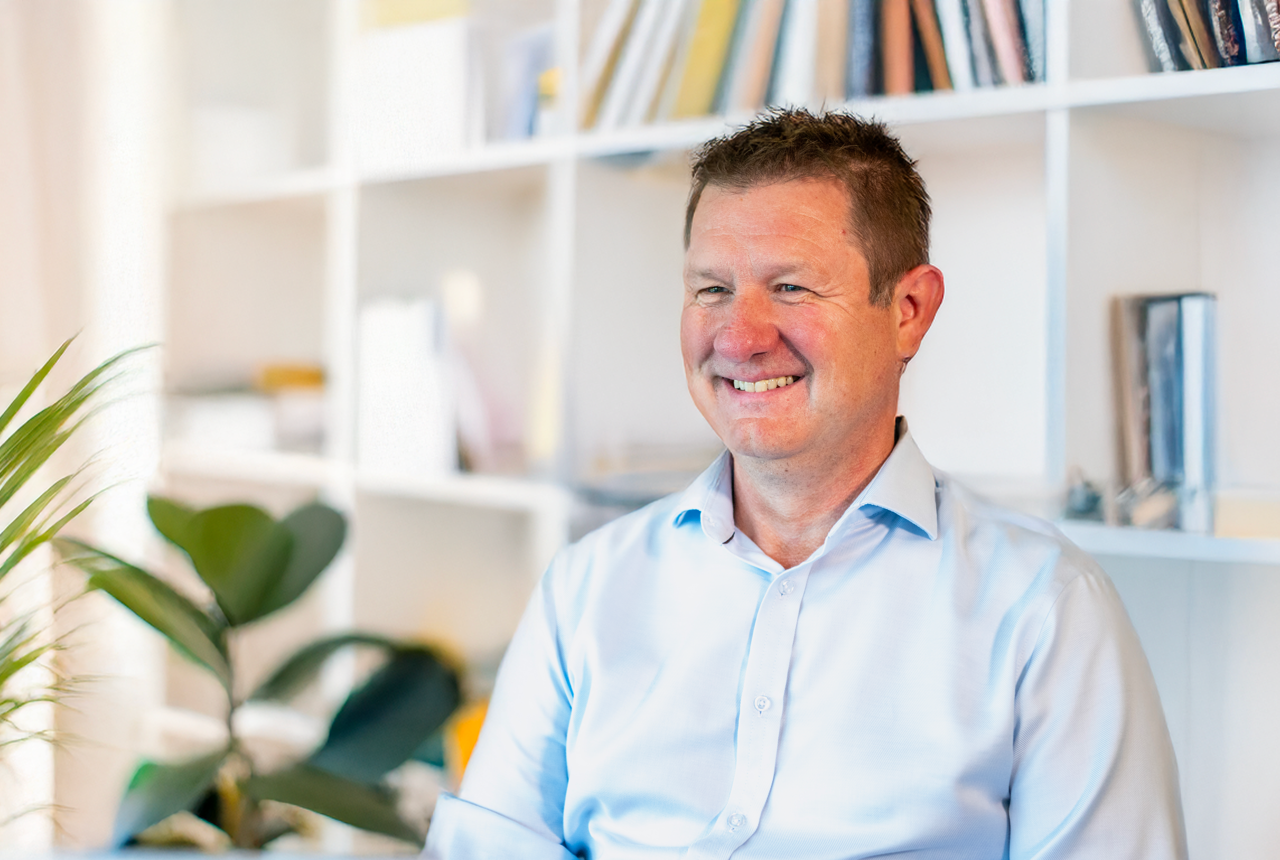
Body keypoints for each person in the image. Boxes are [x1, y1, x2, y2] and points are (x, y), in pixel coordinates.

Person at [425, 109, 1187, 859]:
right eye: (710, 289)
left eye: (790, 287)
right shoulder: (585, 590)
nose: (739, 338)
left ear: (909, 312)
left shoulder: (1046, 611)